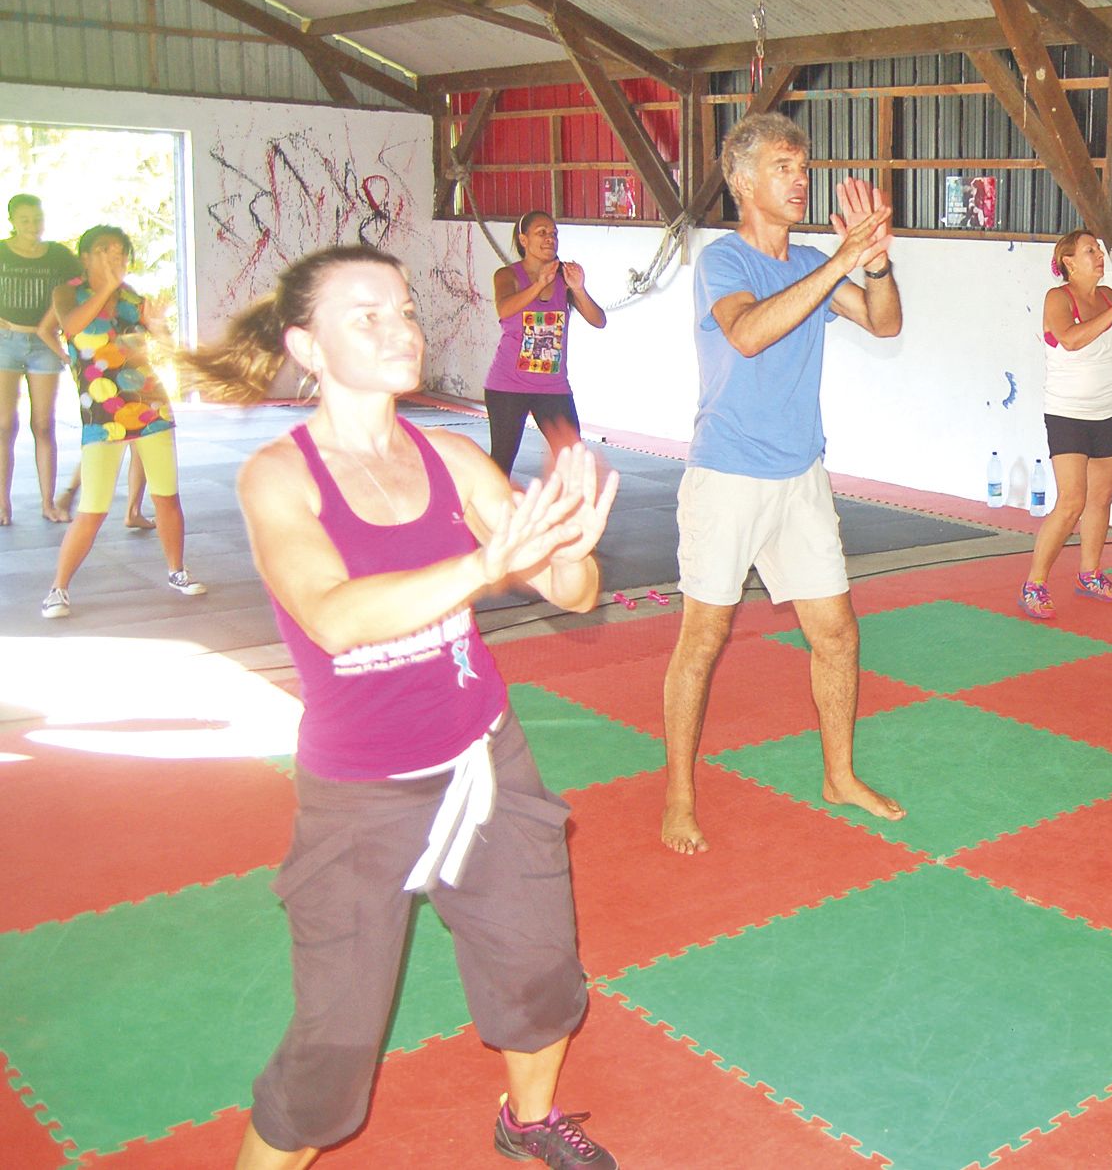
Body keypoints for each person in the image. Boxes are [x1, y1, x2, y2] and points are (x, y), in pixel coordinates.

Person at [180, 245, 622, 1169]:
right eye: (367, 315)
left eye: (407, 309)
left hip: (482, 761)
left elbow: (572, 592)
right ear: (306, 345)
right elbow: (334, 617)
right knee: (332, 1052)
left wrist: (569, 546)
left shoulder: (453, 456)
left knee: (543, 977)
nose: (401, 328)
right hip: (361, 795)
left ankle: (529, 1121)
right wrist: (486, 564)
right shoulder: (279, 475)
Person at [660, 113, 905, 855]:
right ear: (742, 181)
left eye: (804, 166)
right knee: (703, 638)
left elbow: (885, 323)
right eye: (782, 166)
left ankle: (839, 774)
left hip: (801, 474)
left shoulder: (811, 266)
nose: (800, 179)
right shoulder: (721, 262)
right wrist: (835, 263)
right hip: (727, 475)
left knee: (836, 632)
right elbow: (749, 332)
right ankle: (678, 794)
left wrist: (875, 265)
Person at [41, 225, 205, 619]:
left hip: (149, 405)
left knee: (166, 495)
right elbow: (74, 326)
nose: (114, 256)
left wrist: (160, 324)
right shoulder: (69, 293)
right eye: (104, 249)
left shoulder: (133, 299)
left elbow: (164, 348)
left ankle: (176, 570)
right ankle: (58, 588)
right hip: (102, 414)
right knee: (93, 506)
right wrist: (105, 288)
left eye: (120, 251)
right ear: (85, 257)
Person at [1018, 231, 1112, 619]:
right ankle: (1034, 583)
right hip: (1067, 413)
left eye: (1099, 249)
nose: (1099, 256)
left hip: (1109, 409)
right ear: (1069, 262)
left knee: (1101, 498)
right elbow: (1072, 340)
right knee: (1072, 499)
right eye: (1089, 250)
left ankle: (1089, 573)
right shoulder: (1057, 298)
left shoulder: (1110, 296)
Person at [484, 210, 607, 477]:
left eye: (554, 234)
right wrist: (538, 284)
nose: (550, 239)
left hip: (553, 387)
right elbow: (505, 309)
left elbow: (599, 320)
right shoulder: (507, 275)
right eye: (542, 233)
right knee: (500, 464)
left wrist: (579, 289)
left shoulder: (564, 279)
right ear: (523, 240)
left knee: (574, 460)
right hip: (508, 385)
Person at [0, 193, 81, 525]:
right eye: (24, 220)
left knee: (43, 425)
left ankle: (49, 503)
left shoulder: (60, 255)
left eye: (36, 218)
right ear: (12, 222)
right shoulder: (2, 251)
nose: (32, 226)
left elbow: (76, 287)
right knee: (5, 425)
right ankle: (3, 504)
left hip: (45, 344)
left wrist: (57, 323)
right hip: (6, 341)